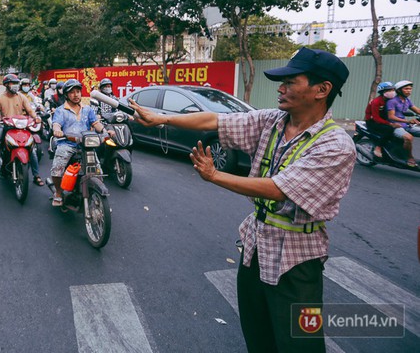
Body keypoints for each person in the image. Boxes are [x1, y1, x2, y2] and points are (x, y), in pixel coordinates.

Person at [130, 47, 356, 352]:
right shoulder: (272, 121)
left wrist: (215, 176)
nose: (282, 87)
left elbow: (280, 188)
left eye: (291, 81)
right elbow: (216, 121)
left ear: (322, 90)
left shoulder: (335, 144)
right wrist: (159, 119)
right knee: (258, 335)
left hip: (297, 260)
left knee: (299, 344)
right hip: (255, 248)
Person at [50, 79, 113, 207]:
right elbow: (56, 124)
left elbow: (95, 123)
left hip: (86, 145)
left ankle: (97, 197)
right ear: (66, 95)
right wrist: (57, 130)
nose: (76, 95)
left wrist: (106, 131)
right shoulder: (61, 110)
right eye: (72, 92)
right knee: (57, 170)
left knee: (98, 172)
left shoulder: (87, 109)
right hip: (67, 144)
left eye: (78, 91)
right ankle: (58, 192)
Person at [0, 74, 43, 185]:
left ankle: (36, 175)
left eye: (16, 83)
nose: (15, 86)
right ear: (6, 85)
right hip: (5, 125)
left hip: (20, 126)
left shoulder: (21, 96)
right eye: (12, 83)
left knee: (31, 149)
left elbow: (30, 110)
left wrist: (35, 117)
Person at [386, 80, 420, 167]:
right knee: (409, 137)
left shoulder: (407, 100)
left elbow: (417, 110)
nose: (409, 91)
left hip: (406, 125)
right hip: (395, 126)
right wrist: (408, 121)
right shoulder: (392, 101)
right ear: (399, 90)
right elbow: (391, 117)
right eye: (406, 89)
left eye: (410, 89)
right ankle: (409, 157)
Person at [364, 81, 398, 158]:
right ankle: (378, 147)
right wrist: (390, 124)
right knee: (389, 130)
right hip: (373, 122)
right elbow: (376, 118)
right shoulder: (376, 102)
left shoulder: (391, 101)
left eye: (393, 90)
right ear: (382, 92)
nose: (392, 92)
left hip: (383, 120)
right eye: (389, 90)